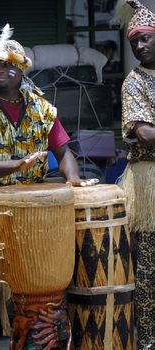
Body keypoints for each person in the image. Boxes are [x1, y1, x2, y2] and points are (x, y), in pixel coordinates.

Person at [0, 14, 98, 350]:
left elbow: (63, 150)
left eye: (6, 66)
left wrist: (73, 178)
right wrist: (15, 164)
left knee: (37, 288)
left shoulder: (41, 110)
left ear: (22, 69)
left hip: (33, 212)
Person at [114, 1, 155, 348]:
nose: (140, 46)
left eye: (146, 39)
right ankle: (148, 342)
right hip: (148, 183)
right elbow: (144, 133)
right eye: (134, 42)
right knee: (148, 271)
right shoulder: (133, 83)